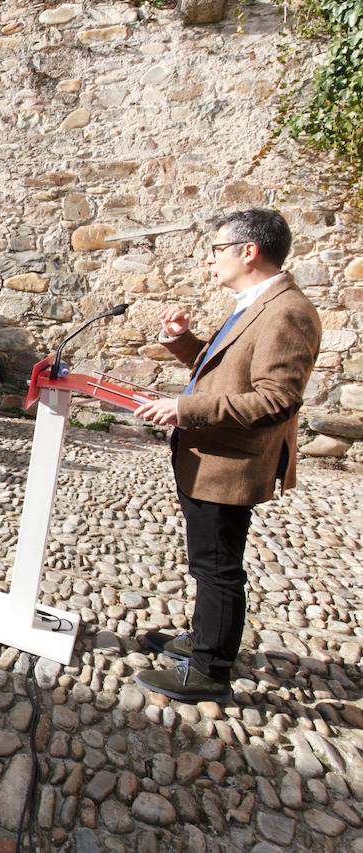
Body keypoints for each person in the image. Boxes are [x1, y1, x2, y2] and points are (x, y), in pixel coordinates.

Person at [131, 209, 322, 704]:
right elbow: (224, 373)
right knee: (207, 562)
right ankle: (203, 638)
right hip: (209, 456)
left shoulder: (288, 311)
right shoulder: (254, 302)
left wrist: (184, 408)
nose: (210, 258)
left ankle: (210, 669)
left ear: (248, 251)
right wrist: (183, 342)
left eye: (217, 249)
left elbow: (276, 400)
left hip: (231, 463)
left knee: (218, 567)